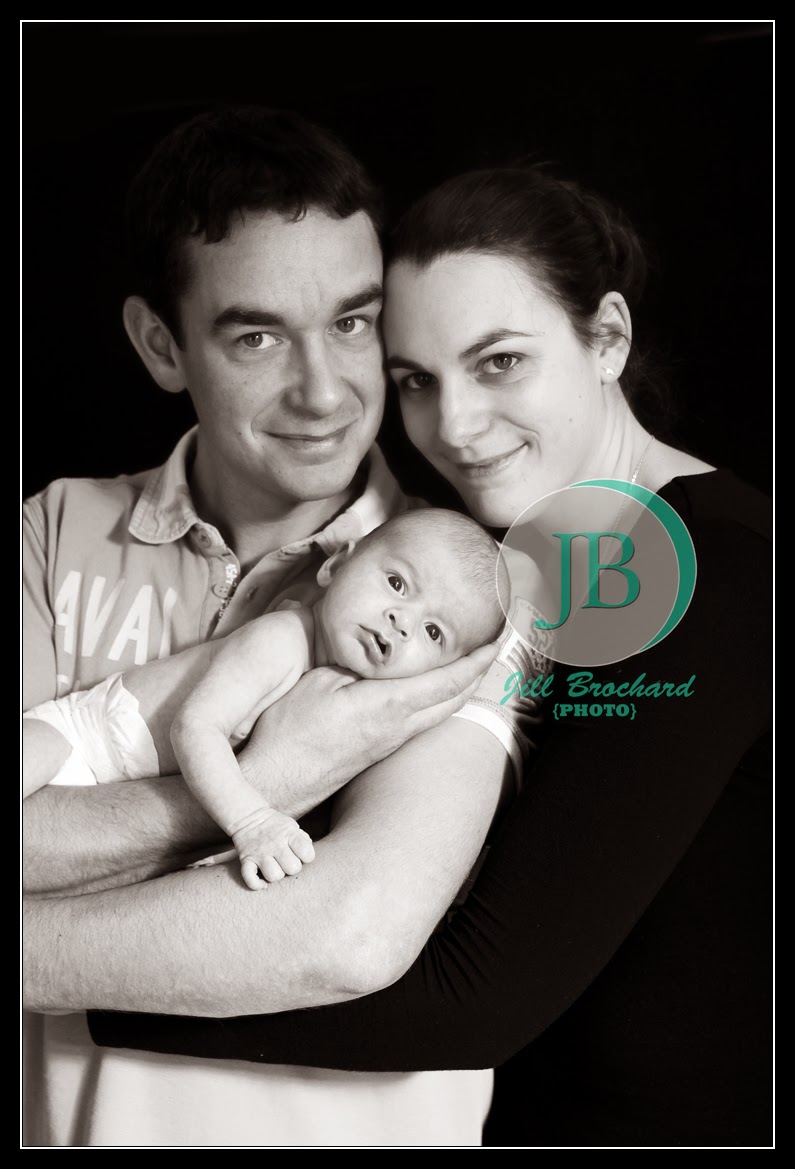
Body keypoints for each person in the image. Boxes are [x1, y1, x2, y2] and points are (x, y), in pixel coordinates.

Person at [82, 167, 771, 1146]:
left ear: (607, 337)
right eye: (416, 380)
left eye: (500, 362)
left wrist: (59, 979)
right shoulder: (498, 574)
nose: (452, 425)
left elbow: (471, 994)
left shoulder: (713, 569)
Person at [22, 108, 539, 1148]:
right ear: (161, 344)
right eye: (257, 336)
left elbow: (346, 932)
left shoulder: (466, 595)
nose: (324, 391)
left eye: (351, 323)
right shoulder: (52, 532)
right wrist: (280, 777)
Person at [24, 508, 508, 889]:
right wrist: (252, 821)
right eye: (397, 583)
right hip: (78, 738)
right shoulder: (282, 638)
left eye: (433, 632)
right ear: (336, 565)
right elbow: (195, 728)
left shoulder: (349, 704)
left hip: (114, 791)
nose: (403, 621)